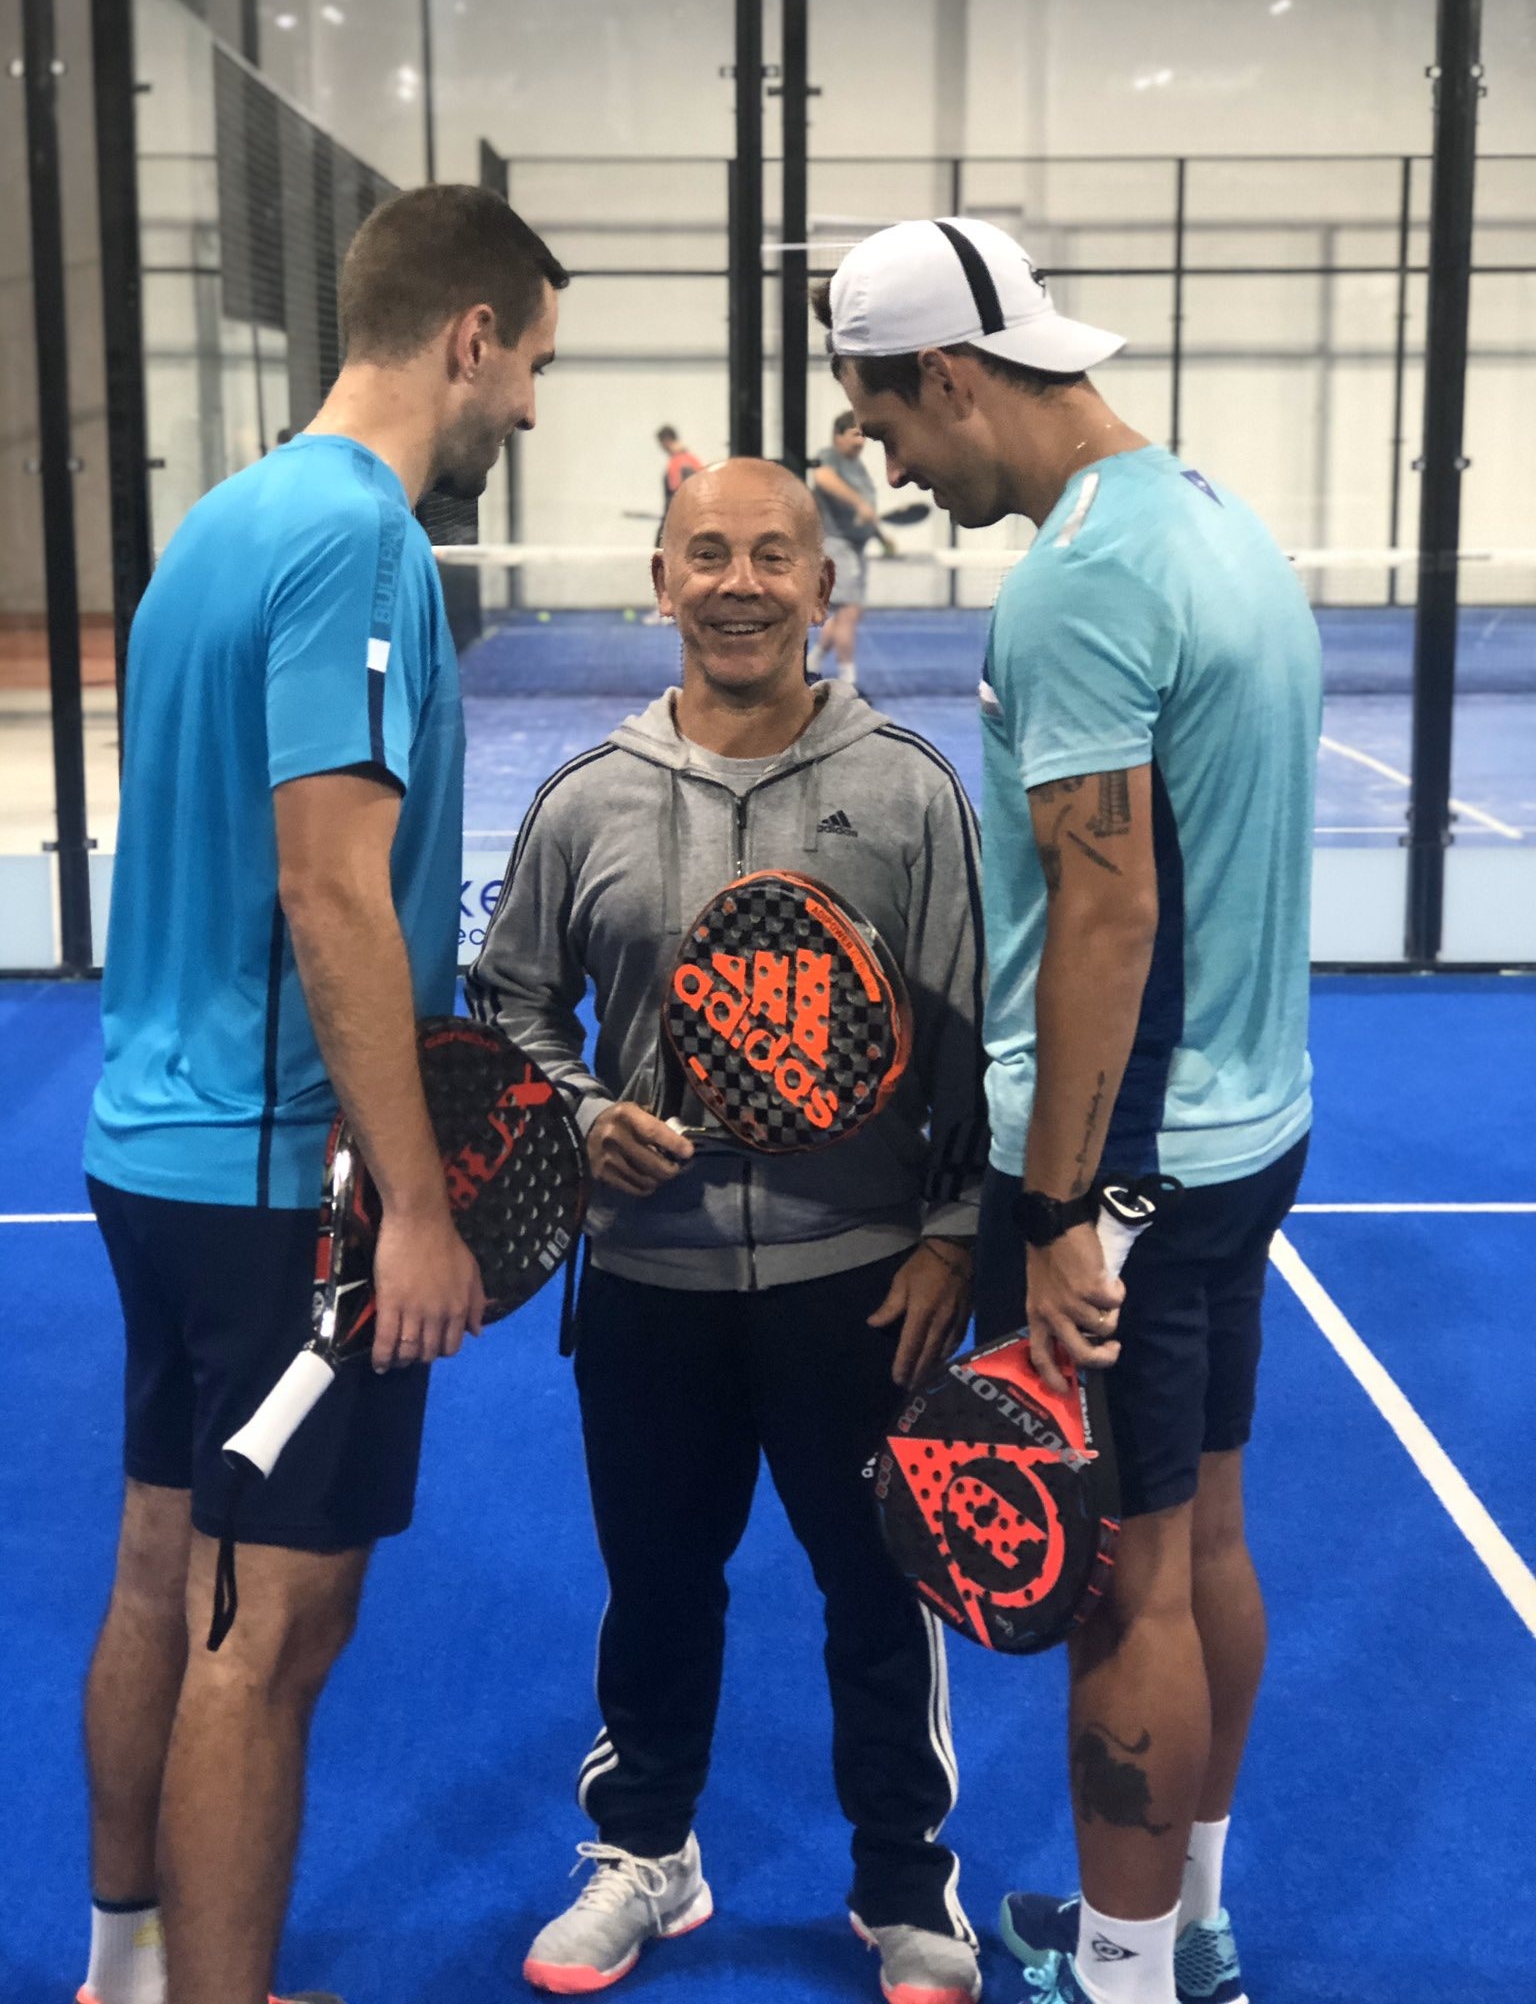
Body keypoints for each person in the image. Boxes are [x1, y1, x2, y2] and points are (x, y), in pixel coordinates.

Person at [818, 217, 1318, 2004]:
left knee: (1123, 1583)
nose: (888, 467)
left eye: (885, 424)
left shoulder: (1081, 578)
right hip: (1249, 1123)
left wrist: (1057, 1206)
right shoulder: (1212, 516)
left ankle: (1117, 1978)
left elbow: (1106, 908)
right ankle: (1183, 1920)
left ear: (953, 374)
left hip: (1132, 1170)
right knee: (1209, 1539)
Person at [79, 185, 566, 2004]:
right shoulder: (359, 537)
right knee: (271, 1623)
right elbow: (328, 885)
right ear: (469, 334)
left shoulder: (219, 522)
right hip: (288, 1178)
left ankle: (129, 1964)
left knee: (159, 1565)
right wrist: (418, 1201)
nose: (528, 409)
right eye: (531, 365)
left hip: (157, 1143)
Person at [468, 457, 989, 2004]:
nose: (742, 582)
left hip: (859, 1287)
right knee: (658, 1586)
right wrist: (572, 1120)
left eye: (775, 555)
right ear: (662, 580)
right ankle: (650, 1854)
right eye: (710, 555)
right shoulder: (588, 799)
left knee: (878, 1590)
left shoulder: (908, 789)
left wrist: (956, 1236)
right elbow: (505, 1008)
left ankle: (903, 1886)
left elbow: (977, 1039)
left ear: (827, 590)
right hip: (647, 1287)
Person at [808, 409, 890, 685]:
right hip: (837, 546)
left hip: (855, 548)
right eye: (855, 434)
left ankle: (814, 660)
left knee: (846, 612)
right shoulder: (830, 457)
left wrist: (881, 536)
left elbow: (867, 512)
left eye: (863, 436)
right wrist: (858, 503)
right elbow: (823, 480)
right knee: (848, 612)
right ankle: (848, 679)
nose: (860, 441)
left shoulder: (858, 467)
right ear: (838, 436)